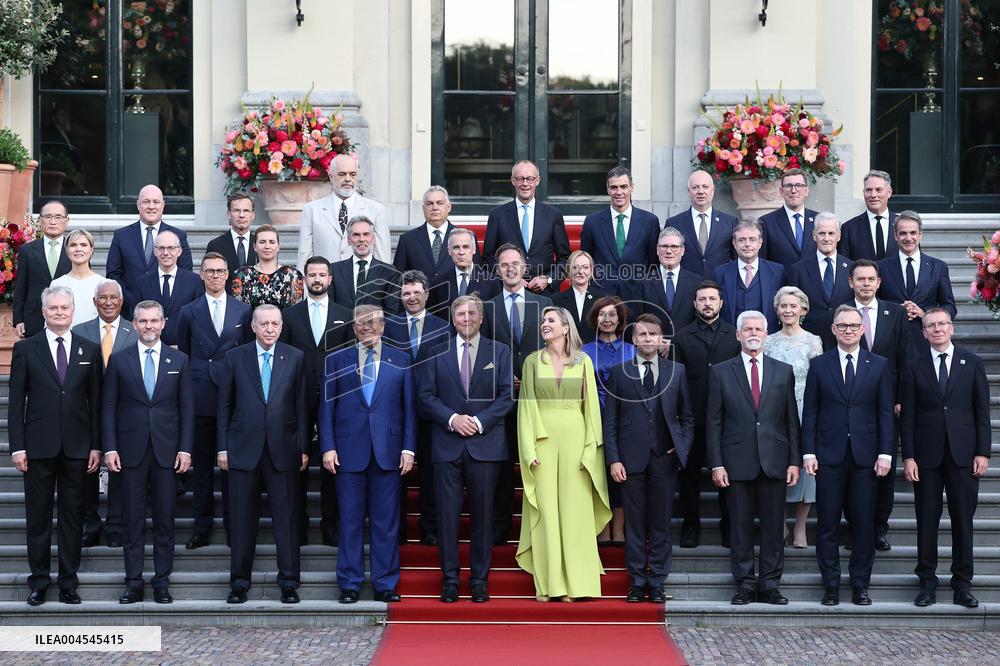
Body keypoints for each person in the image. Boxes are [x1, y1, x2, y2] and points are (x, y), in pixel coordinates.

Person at [417, 294, 515, 603]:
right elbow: (426, 396)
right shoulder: (435, 353)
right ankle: (449, 579)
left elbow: (506, 396)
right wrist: (452, 419)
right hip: (447, 445)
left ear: (482, 318)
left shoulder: (499, 351)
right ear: (453, 318)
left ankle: (479, 580)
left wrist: (478, 421)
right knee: (447, 517)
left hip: (485, 446)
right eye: (460, 314)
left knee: (483, 516)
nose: (467, 318)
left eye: (472, 313)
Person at [9, 286, 102, 606]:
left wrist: (97, 446)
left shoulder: (89, 350)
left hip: (78, 448)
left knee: (72, 517)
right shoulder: (26, 350)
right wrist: (17, 447)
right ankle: (38, 582)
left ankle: (67, 582)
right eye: (53, 308)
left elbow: (96, 403)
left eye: (65, 307)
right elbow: (15, 403)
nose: (60, 312)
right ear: (44, 311)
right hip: (37, 448)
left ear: (74, 311)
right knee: (37, 517)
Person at [319, 305, 416, 604]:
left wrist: (408, 447)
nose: (367, 328)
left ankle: (385, 583)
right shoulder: (336, 360)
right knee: (349, 521)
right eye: (361, 324)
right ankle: (349, 583)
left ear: (383, 326)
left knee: (386, 523)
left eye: (373, 323)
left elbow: (409, 409)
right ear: (353, 328)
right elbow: (326, 408)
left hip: (388, 453)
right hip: (348, 453)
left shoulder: (400, 360)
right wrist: (327, 446)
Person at [516, 306, 611, 601]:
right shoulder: (533, 361)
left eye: (551, 321)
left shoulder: (582, 362)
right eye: (543, 321)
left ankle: (577, 585)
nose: (545, 324)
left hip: (576, 441)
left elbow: (591, 406)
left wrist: (590, 451)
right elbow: (526, 407)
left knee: (574, 514)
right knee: (546, 512)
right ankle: (551, 584)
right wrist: (529, 449)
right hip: (542, 442)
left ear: (566, 327)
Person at [802, 305, 894, 607]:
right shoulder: (819, 365)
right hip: (828, 456)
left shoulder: (879, 365)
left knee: (863, 525)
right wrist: (808, 452)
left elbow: (884, 413)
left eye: (854, 326)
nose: (848, 331)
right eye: (842, 326)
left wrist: (885, 453)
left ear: (863, 329)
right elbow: (811, 411)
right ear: (833, 330)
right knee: (827, 524)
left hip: (866, 458)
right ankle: (830, 585)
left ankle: (859, 586)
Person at [706, 310, 800, 605]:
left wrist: (794, 460)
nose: (753, 333)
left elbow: (790, 420)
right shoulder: (721, 371)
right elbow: (714, 421)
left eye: (758, 328)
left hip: (775, 459)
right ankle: (745, 584)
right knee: (740, 526)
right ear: (738, 335)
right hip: (735, 461)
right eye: (747, 329)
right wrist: (716, 462)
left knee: (774, 528)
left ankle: (770, 584)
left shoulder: (782, 371)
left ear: (766, 333)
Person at [217, 304, 309, 605]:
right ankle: (239, 583)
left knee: (287, 520)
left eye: (275, 324)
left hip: (283, 450)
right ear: (253, 327)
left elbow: (301, 407)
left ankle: (289, 582)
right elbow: (225, 407)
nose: (270, 329)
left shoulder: (295, 357)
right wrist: (223, 447)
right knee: (242, 521)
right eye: (264, 324)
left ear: (281, 326)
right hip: (243, 450)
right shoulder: (234, 357)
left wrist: (304, 447)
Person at [103, 300, 193, 604]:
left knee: (166, 520)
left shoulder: (179, 360)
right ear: (134, 324)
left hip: (168, 452)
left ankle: (161, 581)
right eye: (143, 321)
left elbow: (187, 408)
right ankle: (133, 581)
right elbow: (108, 407)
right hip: (130, 452)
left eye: (154, 321)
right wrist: (110, 447)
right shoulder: (119, 360)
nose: (149, 326)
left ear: (164, 323)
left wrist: (185, 449)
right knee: (132, 520)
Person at [900, 308, 990, 609]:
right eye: (930, 326)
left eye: (942, 324)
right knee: (927, 521)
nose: (937, 329)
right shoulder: (913, 367)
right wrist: (909, 456)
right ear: (923, 332)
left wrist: (982, 452)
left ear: (951, 328)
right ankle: (927, 583)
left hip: (964, 454)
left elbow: (982, 412)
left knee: (963, 521)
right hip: (925, 456)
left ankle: (962, 584)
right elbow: (908, 417)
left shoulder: (972, 363)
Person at [603, 313, 694, 603]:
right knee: (634, 524)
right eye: (642, 335)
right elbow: (611, 422)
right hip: (629, 461)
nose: (648, 339)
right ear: (633, 339)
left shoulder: (676, 371)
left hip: (664, 459)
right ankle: (636, 580)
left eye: (653, 335)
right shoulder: (619, 372)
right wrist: (614, 459)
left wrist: (679, 447)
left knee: (660, 523)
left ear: (661, 339)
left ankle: (656, 581)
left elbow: (687, 418)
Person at [175, 252, 253, 549]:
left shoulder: (243, 310)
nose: (215, 276)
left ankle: (235, 528)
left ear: (228, 275)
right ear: (202, 275)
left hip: (233, 396)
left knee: (233, 468)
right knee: (204, 467)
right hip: (201, 395)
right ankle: (201, 527)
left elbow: (246, 351)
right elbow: (184, 351)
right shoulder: (188, 311)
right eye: (210, 271)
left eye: (221, 271)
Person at [279, 255, 355, 548]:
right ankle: (297, 525)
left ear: (330, 279)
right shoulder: (290, 314)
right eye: (312, 275)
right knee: (296, 462)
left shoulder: (345, 313)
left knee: (331, 464)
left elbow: (349, 358)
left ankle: (331, 526)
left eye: (322, 275)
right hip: (297, 398)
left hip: (334, 400)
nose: (317, 279)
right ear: (304, 279)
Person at [483, 243, 552, 544]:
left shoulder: (545, 304)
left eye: (516, 263)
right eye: (504, 264)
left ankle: (540, 528)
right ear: (498, 271)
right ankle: (499, 527)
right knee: (500, 467)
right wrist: (500, 376)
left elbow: (555, 348)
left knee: (539, 465)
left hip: (539, 400)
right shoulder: (487, 307)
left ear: (525, 268)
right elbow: (481, 352)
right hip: (501, 399)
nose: (511, 269)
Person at [671, 280, 741, 548]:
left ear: (721, 303)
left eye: (712, 299)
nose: (707, 303)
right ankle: (690, 526)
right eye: (702, 299)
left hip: (728, 418)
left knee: (728, 476)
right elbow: (675, 380)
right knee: (689, 477)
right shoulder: (683, 336)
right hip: (693, 417)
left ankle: (728, 527)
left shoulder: (734, 335)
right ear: (695, 304)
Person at [384, 270, 450, 545]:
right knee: (395, 475)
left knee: (431, 475)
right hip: (396, 412)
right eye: (406, 293)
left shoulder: (443, 327)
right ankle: (397, 530)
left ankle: (430, 528)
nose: (411, 297)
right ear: (400, 296)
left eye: (416, 292)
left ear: (426, 294)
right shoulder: (389, 325)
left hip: (432, 413)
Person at [72, 280, 139, 548]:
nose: (108, 302)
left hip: (123, 412)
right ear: (94, 302)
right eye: (103, 298)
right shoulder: (80, 331)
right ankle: (89, 522)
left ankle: (115, 524)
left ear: (122, 302)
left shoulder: (134, 331)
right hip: (85, 411)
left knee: (118, 468)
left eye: (114, 297)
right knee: (86, 468)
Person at [850, 259, 911, 550]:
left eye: (870, 279)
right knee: (851, 466)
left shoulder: (895, 313)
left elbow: (905, 357)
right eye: (860, 279)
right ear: (851, 282)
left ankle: (879, 528)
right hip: (851, 404)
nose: (865, 283)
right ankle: (853, 527)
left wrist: (900, 397)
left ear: (878, 282)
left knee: (884, 465)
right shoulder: (841, 313)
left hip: (888, 403)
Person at [762, 287, 823, 548]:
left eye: (793, 306)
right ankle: (782, 524)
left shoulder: (813, 341)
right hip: (773, 411)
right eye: (783, 306)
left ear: (803, 310)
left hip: (805, 408)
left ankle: (800, 526)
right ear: (777, 311)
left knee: (807, 470)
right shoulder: (768, 341)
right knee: (777, 466)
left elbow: (819, 379)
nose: (788, 310)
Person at [582, 295, 635, 546]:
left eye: (612, 314)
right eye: (602, 314)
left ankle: (620, 528)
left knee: (620, 474)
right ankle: (602, 527)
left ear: (620, 319)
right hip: (594, 417)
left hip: (625, 419)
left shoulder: (631, 350)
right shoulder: (584, 352)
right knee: (599, 474)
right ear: (595, 318)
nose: (607, 319)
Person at [483, 160, 571, 296]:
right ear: (513, 181)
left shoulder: (553, 215)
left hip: (544, 294)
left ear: (537, 180)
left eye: (530, 179)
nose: (525, 183)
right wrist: (510, 278)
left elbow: (565, 258)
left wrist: (548, 279)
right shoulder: (497, 215)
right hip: (508, 292)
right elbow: (488, 258)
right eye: (520, 179)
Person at [876, 210, 956, 354]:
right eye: (903, 233)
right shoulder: (881, 267)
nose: (908, 238)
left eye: (913, 233)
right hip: (891, 342)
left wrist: (924, 314)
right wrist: (897, 311)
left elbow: (949, 306)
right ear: (895, 235)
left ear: (920, 234)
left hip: (928, 344)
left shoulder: (938, 267)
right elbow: (873, 304)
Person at [105, 184, 193, 315]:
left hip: (169, 311)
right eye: (146, 202)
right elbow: (113, 275)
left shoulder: (178, 236)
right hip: (130, 311)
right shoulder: (121, 236)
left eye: (156, 202)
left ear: (163, 205)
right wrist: (133, 299)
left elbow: (185, 273)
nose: (151, 206)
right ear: (138, 205)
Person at [393, 186, 479, 315]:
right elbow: (399, 281)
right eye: (429, 203)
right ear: (423, 209)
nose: (434, 207)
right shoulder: (408, 240)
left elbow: (476, 274)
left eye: (439, 203)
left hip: (456, 312)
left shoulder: (465, 238)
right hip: (419, 311)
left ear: (448, 207)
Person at [297, 154, 391, 268]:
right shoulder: (312, 210)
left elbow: (382, 255)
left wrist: (382, 284)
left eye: (352, 174)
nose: (348, 179)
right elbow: (304, 255)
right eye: (342, 174)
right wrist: (303, 285)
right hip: (324, 283)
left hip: (362, 282)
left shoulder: (376, 210)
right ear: (331, 177)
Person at [580, 166, 659, 301]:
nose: (619, 192)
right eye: (614, 187)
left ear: (631, 188)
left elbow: (654, 263)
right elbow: (586, 259)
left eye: (623, 187)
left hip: (638, 294)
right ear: (608, 189)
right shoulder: (592, 222)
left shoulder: (649, 221)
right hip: (602, 294)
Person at [787, 212, 854, 350]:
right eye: (822, 233)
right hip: (808, 342)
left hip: (844, 340)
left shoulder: (852, 268)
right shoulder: (798, 269)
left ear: (839, 236)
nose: (826, 238)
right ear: (814, 236)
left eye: (831, 233)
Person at [12, 201, 71, 338]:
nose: (53, 222)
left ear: (66, 221)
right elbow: (21, 286)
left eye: (58, 217)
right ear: (39, 220)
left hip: (67, 318)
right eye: (48, 216)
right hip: (34, 318)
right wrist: (18, 319)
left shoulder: (75, 249)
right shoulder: (27, 250)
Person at [713, 221, 785, 333]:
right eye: (742, 240)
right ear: (734, 243)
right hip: (730, 338)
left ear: (760, 243)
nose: (747, 244)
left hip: (768, 337)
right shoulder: (720, 273)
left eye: (752, 239)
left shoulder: (777, 271)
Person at [135, 230, 205, 347]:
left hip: (184, 349)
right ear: (155, 252)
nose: (166, 253)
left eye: (171, 248)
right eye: (161, 248)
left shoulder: (194, 281)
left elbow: (199, 318)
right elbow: (137, 317)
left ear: (179, 251)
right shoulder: (142, 282)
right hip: (150, 347)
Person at [667, 170, 737, 278]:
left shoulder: (730, 222)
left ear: (713, 190)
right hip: (686, 287)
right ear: (688, 191)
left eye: (705, 187)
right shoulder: (674, 223)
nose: (700, 191)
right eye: (695, 187)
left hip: (720, 286)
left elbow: (736, 259)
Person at [330, 216, 401, 314]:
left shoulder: (390, 272)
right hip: (342, 328)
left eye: (366, 234)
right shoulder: (334, 270)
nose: (361, 239)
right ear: (349, 240)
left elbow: (392, 311)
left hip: (375, 328)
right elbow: (331, 308)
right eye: (356, 235)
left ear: (373, 239)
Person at [638, 227, 700, 335]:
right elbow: (638, 319)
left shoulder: (696, 282)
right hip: (653, 346)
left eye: (674, 246)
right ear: (657, 250)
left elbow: (699, 319)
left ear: (683, 250)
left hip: (686, 347)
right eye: (664, 246)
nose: (668, 251)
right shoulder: (643, 282)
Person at [759, 168, 819, 271]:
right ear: (781, 191)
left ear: (806, 191)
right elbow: (762, 261)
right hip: (781, 285)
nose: (793, 190)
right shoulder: (766, 223)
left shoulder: (819, 220)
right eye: (788, 186)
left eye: (799, 186)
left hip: (813, 285)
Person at [232, 224, 305, 310]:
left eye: (272, 242)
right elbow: (237, 310)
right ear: (255, 246)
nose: (267, 246)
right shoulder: (241, 274)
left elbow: (297, 311)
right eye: (262, 242)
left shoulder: (294, 275)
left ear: (278, 246)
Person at [838, 170, 898, 261]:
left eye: (878, 190)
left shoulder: (903, 225)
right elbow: (843, 265)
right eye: (869, 190)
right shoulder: (849, 228)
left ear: (889, 192)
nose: (873, 195)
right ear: (863, 193)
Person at [206, 192, 258, 294]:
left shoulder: (261, 244)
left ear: (253, 215)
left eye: (246, 211)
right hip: (227, 305)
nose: (241, 215)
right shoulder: (215, 245)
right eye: (237, 211)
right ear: (229, 214)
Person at [551, 250, 608, 343]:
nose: (580, 271)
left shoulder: (601, 299)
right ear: (568, 271)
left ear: (591, 271)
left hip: (595, 353)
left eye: (585, 267)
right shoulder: (555, 300)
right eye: (575, 267)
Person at [49, 229, 102, 327]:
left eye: (83, 245)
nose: (78, 249)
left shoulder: (102, 283)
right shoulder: (56, 284)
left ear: (91, 250)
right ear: (67, 250)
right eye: (73, 245)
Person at [439, 227, 497, 311]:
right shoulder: (439, 283)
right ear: (449, 251)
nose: (461, 252)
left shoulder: (492, 282)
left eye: (466, 247)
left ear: (474, 249)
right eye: (456, 247)